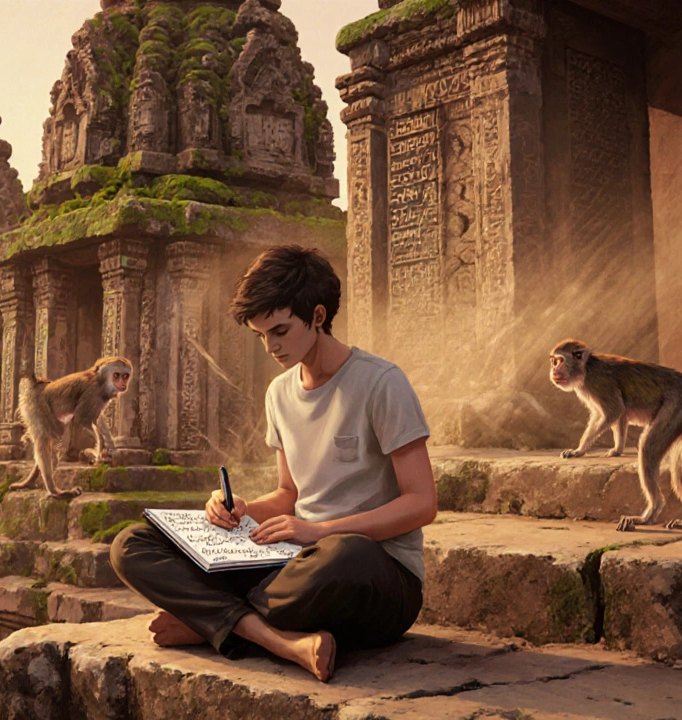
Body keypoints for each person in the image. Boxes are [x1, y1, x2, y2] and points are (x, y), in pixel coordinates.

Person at [109, 244, 437, 682]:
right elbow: (290, 494)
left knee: (345, 553)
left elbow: (421, 503)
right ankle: (274, 638)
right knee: (132, 543)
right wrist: (240, 510)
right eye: (261, 335)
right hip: (294, 564)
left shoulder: (382, 382)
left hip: (374, 574)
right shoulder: (280, 393)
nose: (270, 346)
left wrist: (320, 531)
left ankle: (210, 622)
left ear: (317, 316)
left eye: (280, 331)